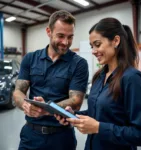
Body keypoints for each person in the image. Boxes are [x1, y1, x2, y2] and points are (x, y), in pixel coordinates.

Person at [55, 17, 141, 150]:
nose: (93, 51)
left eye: (97, 44)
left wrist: (99, 128)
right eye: (91, 46)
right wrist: (73, 115)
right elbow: (98, 112)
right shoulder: (99, 77)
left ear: (116, 41)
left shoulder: (132, 78)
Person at [13, 10, 89, 150]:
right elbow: (18, 91)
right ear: (49, 31)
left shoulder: (79, 64)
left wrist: (46, 109)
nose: (66, 42)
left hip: (61, 138)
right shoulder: (30, 59)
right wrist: (25, 105)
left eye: (70, 37)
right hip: (30, 136)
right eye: (60, 36)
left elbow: (76, 101)